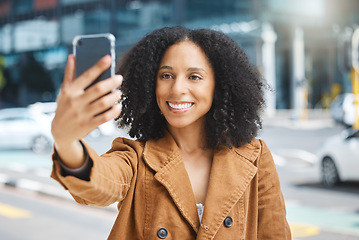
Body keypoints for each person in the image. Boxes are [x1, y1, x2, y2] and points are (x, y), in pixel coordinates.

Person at [51, 26, 291, 239]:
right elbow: (99, 185)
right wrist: (66, 141)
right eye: (166, 75)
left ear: (219, 86)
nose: (177, 89)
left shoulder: (255, 157)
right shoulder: (135, 158)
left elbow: (275, 234)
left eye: (194, 77)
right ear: (149, 83)